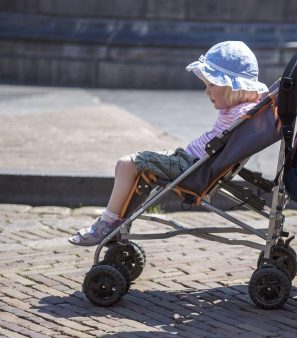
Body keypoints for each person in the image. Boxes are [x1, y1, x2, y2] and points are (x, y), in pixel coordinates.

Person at [68, 41, 268, 246]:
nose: (207, 92)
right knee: (130, 167)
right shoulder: (246, 109)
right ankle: (116, 222)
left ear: (234, 87)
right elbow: (259, 102)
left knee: (126, 164)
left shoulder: (242, 113)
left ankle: (107, 222)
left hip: (192, 167)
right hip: (191, 162)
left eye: (212, 85)